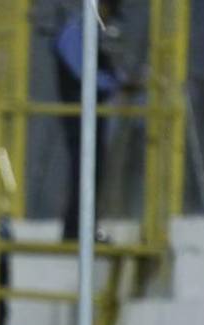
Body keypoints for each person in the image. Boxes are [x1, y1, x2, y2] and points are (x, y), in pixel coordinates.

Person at [53, 0, 125, 240]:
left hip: (92, 115)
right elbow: (85, 73)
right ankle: (75, 229)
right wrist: (116, 84)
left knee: (92, 172)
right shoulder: (74, 33)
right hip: (79, 116)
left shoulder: (90, 33)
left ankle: (84, 227)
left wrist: (118, 81)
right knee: (84, 171)